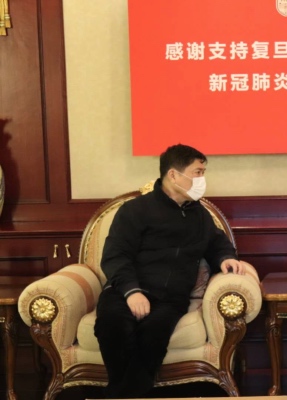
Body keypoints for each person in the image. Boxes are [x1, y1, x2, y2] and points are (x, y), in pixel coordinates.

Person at [94, 144, 245, 398]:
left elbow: (216, 242)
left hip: (170, 299)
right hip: (124, 290)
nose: (202, 180)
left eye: (203, 173)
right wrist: (132, 292)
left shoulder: (199, 215)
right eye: (197, 172)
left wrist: (225, 258)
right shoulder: (135, 210)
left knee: (152, 335)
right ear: (173, 175)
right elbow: (115, 256)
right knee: (112, 325)